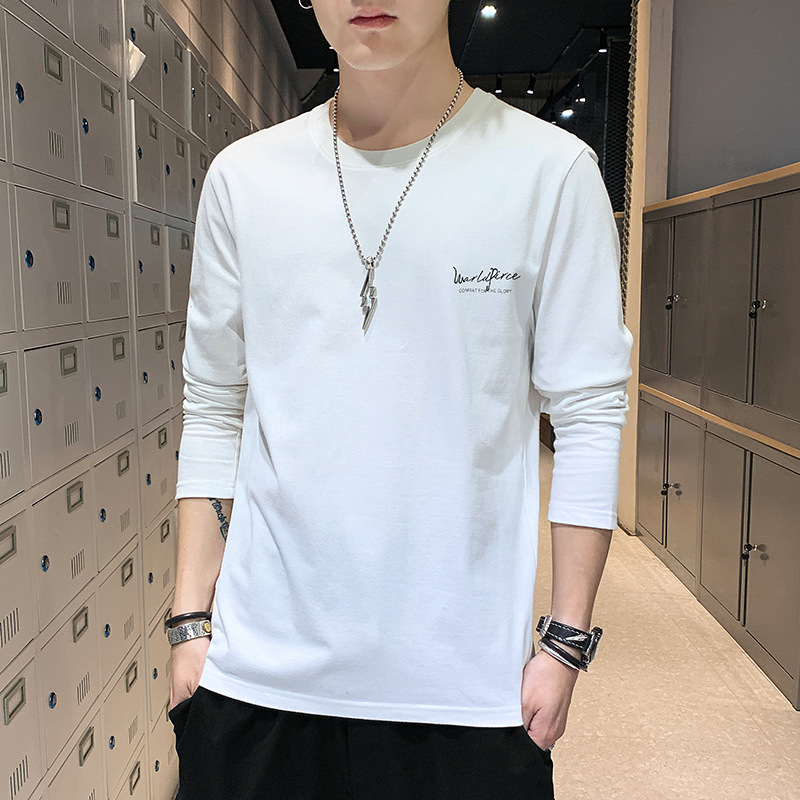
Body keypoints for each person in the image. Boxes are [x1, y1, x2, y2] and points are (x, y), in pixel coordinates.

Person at [165, 0, 634, 798]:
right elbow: (214, 404)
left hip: (464, 693)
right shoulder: (245, 179)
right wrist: (189, 624)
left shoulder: (548, 172)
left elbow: (589, 414)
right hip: (257, 682)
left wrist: (564, 643)